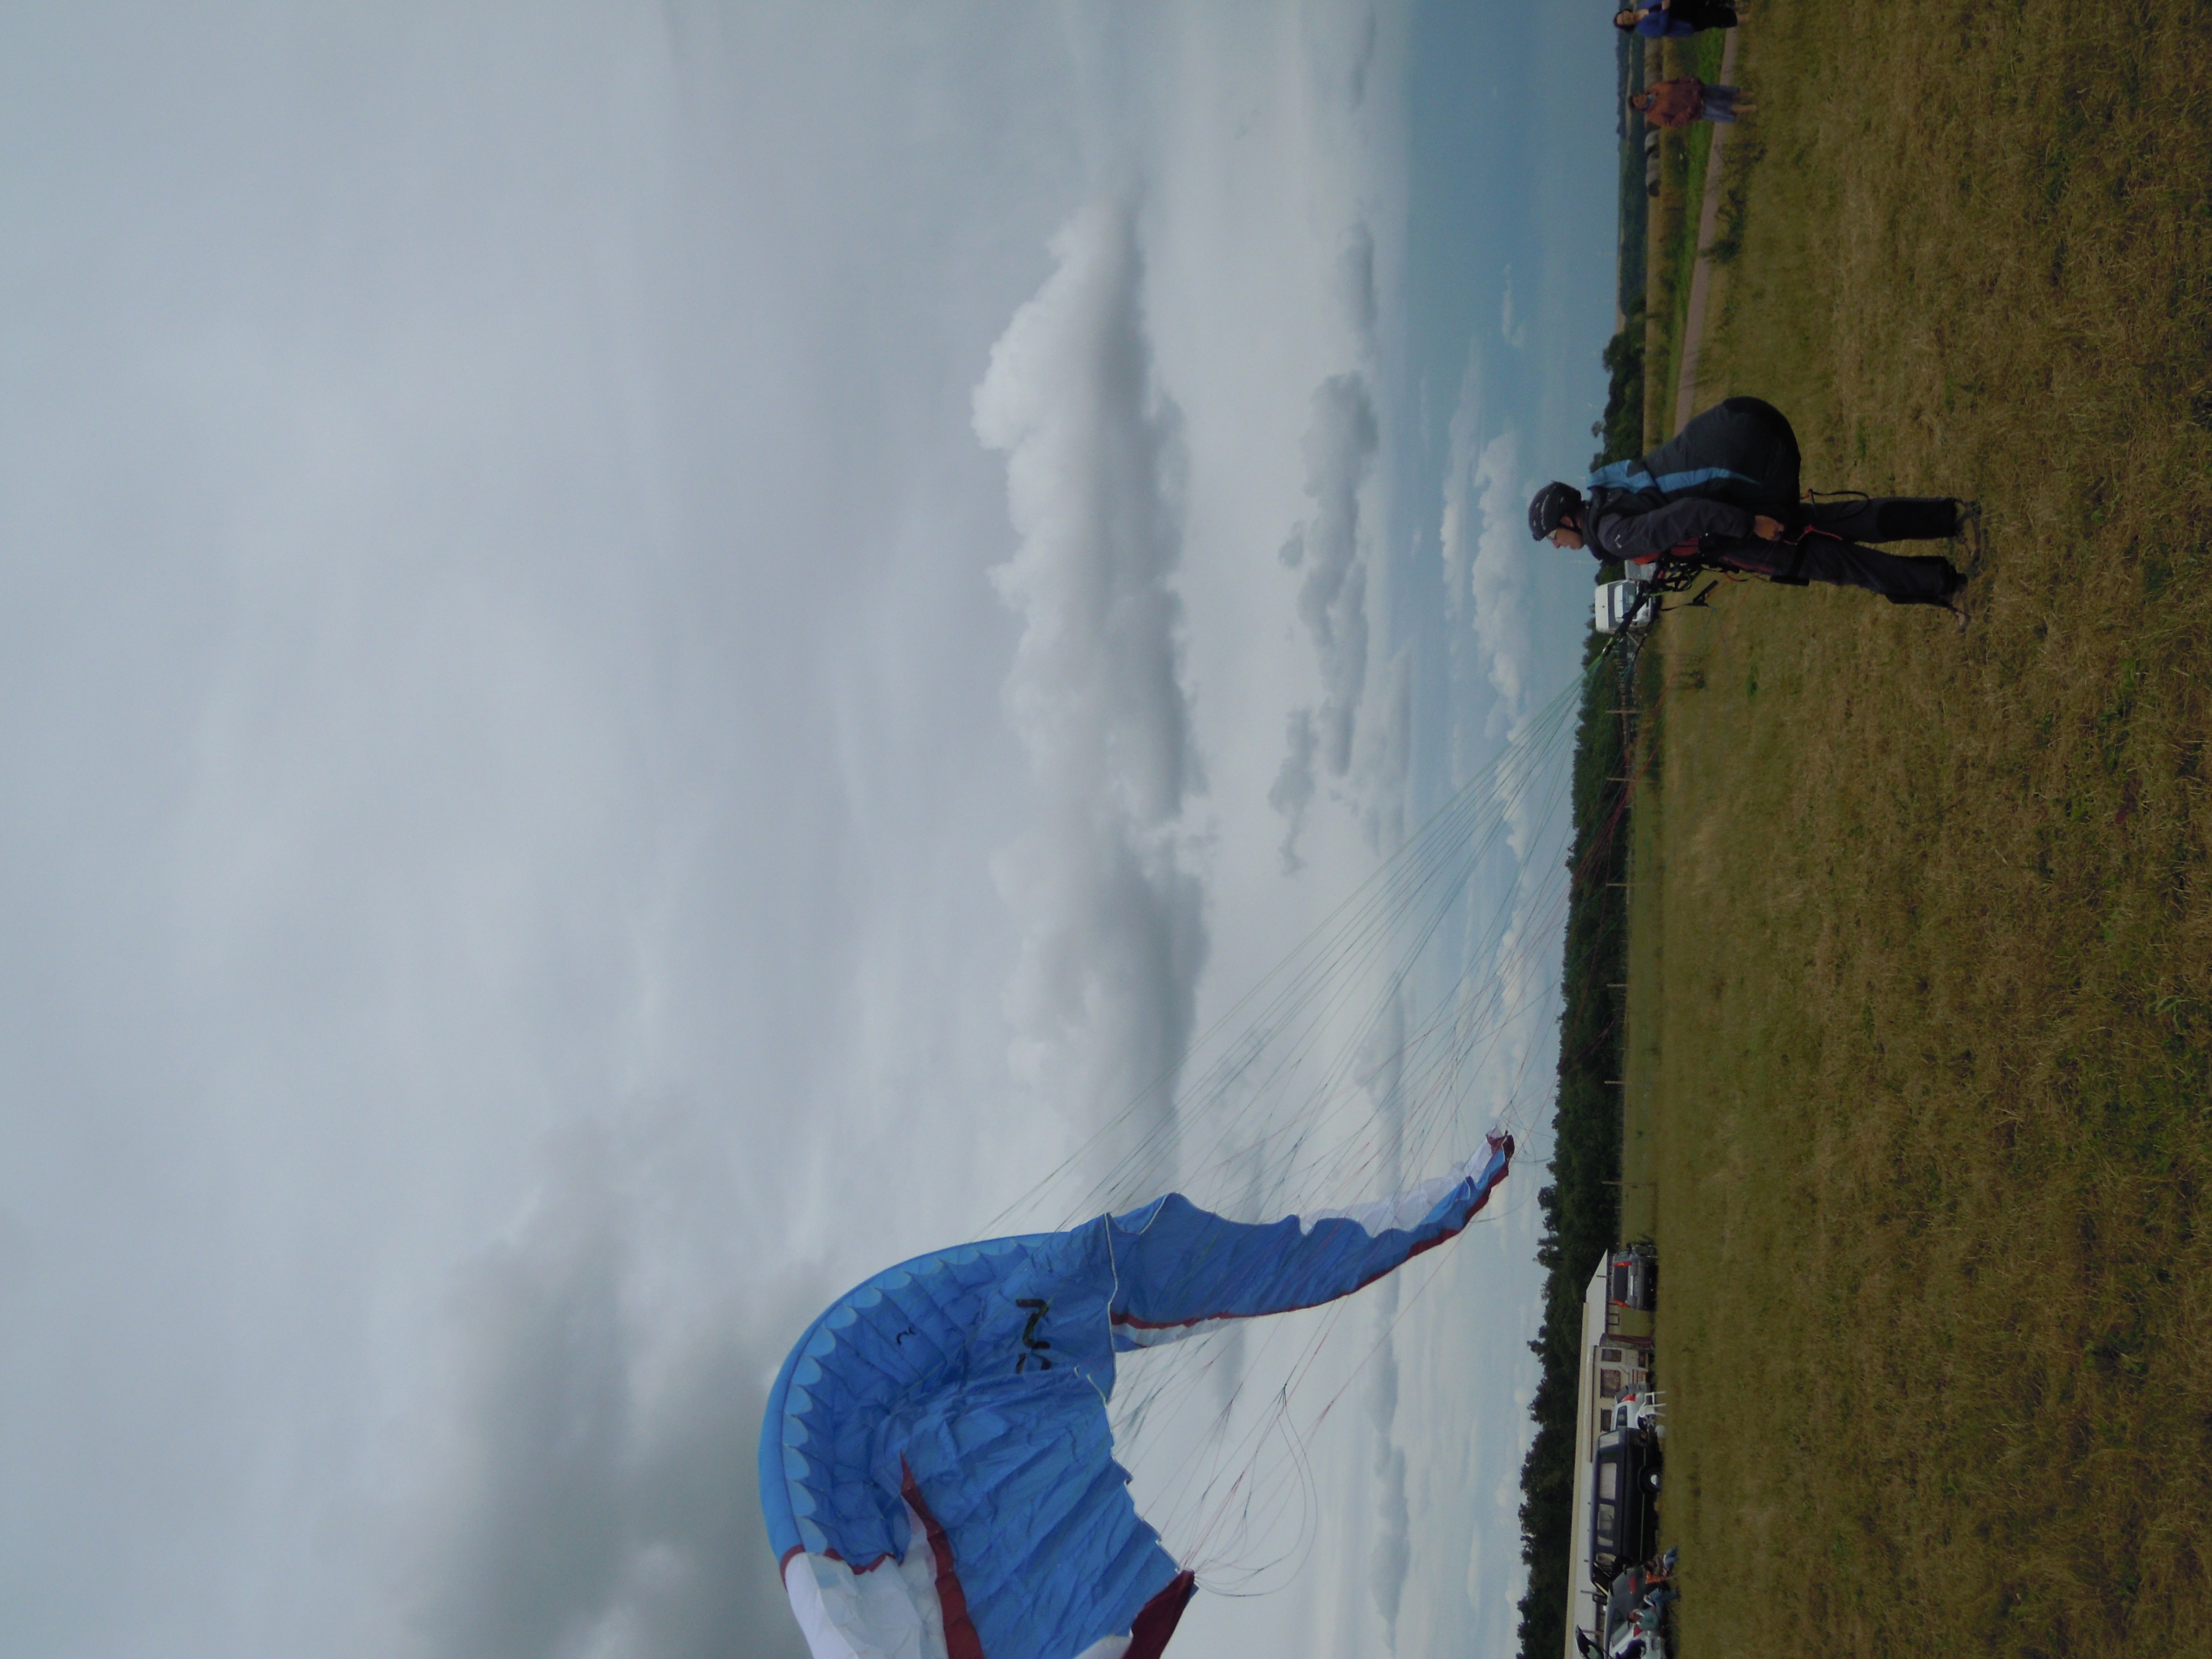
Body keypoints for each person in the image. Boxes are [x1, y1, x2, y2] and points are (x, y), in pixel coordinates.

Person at [1528, 396, 1976, 615]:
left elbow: (1688, 515)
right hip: (1745, 467)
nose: (1558, 545)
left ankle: (1944, 584)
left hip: (1743, 514)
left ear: (1567, 519)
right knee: (1839, 522)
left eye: (1554, 536)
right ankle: (1947, 517)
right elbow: (1670, 514)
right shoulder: (1609, 498)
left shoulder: (1611, 534)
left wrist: (1751, 526)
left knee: (1842, 563)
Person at [1629, 76, 1755, 127]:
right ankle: (1752, 108)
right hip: (1698, 108)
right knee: (1726, 108)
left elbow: (1675, 81)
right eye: (1637, 102)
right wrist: (1689, 112)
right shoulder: (1653, 115)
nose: (1640, 99)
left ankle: (1752, 95)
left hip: (1697, 90)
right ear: (1639, 108)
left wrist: (1690, 80)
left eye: (1637, 97)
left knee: (1728, 94)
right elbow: (1673, 123)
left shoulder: (1654, 89)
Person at [1615, 0, 1741, 36]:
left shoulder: (1643, 5)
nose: (1626, 18)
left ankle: (1740, 6)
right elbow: (1662, 30)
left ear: (1625, 11)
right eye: (1624, 21)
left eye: (1623, 15)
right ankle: (1745, 19)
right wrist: (1665, 10)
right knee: (1716, 18)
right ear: (1627, 26)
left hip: (1684, 5)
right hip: (1684, 21)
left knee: (1714, 4)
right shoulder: (1643, 29)